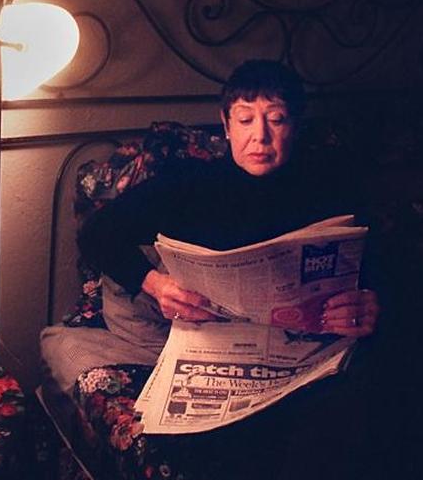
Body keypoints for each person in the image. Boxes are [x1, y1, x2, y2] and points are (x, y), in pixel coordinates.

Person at [41, 60, 382, 475]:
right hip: (195, 336)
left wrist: (368, 303)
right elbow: (98, 234)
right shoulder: (188, 182)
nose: (260, 136)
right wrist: (152, 283)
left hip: (295, 348)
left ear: (296, 125)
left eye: (277, 119)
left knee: (338, 411)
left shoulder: (329, 187)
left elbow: (378, 263)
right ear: (226, 125)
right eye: (245, 119)